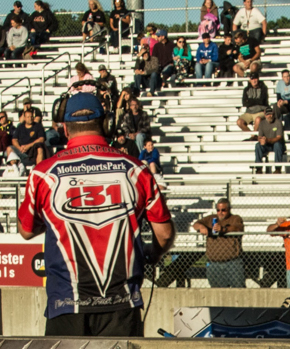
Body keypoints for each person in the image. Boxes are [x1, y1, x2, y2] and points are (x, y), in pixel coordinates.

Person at [18, 90, 174, 336]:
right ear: (107, 125)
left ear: (65, 129)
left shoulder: (42, 174)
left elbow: (26, 231)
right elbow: (164, 234)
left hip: (65, 305)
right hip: (122, 306)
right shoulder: (137, 170)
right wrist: (152, 254)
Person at [196, 197, 246, 289]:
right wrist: (201, 227)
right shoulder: (211, 218)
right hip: (214, 263)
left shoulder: (235, 218)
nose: (220, 212)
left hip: (232, 263)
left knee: (239, 290)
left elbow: (237, 228)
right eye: (218, 210)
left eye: (223, 210)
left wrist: (223, 229)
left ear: (229, 209)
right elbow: (196, 223)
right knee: (217, 291)